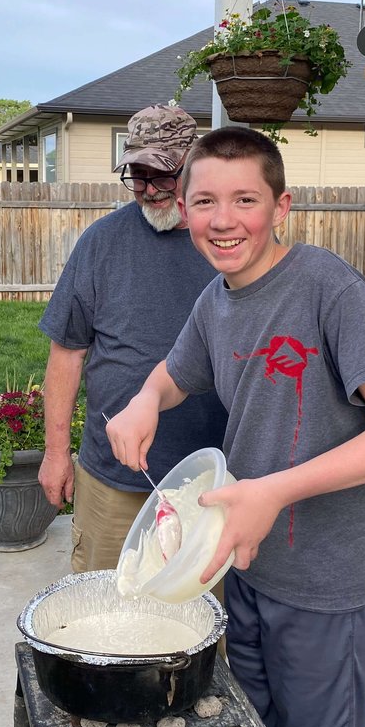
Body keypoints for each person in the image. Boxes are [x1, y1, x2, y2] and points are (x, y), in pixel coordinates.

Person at [106, 126, 365, 727]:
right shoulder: (217, 301)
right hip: (249, 567)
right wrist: (143, 401)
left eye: (245, 200)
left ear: (280, 207)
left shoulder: (328, 288)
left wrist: (275, 490)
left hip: (327, 583)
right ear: (184, 211)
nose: (223, 220)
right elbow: (173, 375)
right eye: (204, 201)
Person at [38, 104, 228, 573]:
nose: (147, 190)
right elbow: (66, 354)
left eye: (162, 176)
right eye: (137, 175)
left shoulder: (228, 244)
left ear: (193, 166)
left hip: (214, 475)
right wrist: (56, 454)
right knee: (105, 614)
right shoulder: (101, 242)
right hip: (113, 478)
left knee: (202, 620)